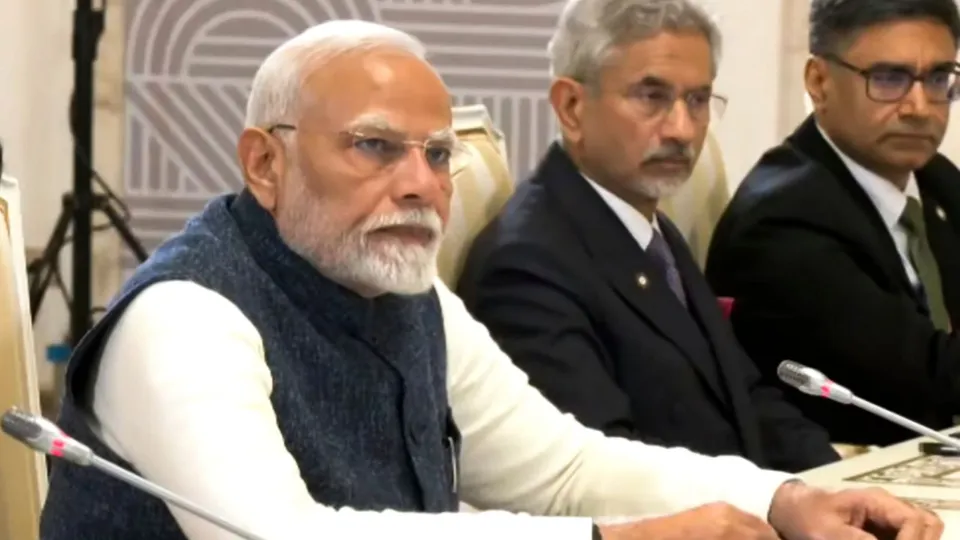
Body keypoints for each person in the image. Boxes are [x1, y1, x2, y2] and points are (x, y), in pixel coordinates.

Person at [38, 18, 939, 540]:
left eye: (435, 154)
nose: (422, 183)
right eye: (375, 147)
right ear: (263, 165)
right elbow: (284, 537)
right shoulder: (185, 317)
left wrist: (781, 498)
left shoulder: (410, 293)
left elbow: (562, 467)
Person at [457, 0, 838, 474]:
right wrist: (778, 504)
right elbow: (604, 473)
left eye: (698, 100)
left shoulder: (647, 226)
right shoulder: (527, 265)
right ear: (571, 107)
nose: (682, 129)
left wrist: (835, 484)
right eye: (651, 97)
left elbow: (747, 398)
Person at [705, 0, 960, 447]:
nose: (920, 106)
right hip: (838, 489)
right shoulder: (781, 223)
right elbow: (931, 382)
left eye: (938, 79)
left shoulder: (937, 181)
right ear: (819, 82)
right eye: (888, 78)